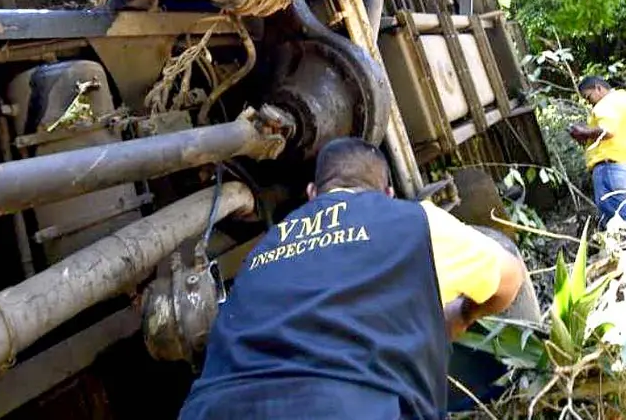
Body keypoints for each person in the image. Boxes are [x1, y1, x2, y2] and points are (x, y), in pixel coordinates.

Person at [179, 137, 527, 420]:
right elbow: (511, 276)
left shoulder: (263, 248)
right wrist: (461, 315)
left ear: (313, 193)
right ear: (388, 193)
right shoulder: (415, 221)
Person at [568, 76, 626, 234]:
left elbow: (607, 130)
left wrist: (584, 131)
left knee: (621, 227)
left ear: (598, 88)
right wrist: (586, 137)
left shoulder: (607, 103)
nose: (589, 102)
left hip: (611, 169)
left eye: (588, 97)